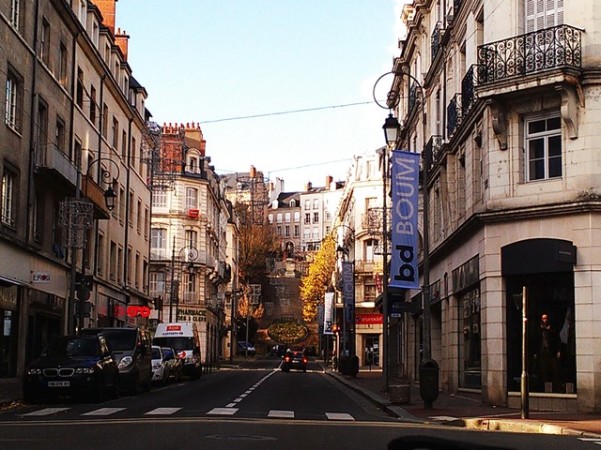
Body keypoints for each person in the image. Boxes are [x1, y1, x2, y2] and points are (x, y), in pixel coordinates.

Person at [537, 313, 560, 392]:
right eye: (543, 318)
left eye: (546, 318)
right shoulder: (539, 329)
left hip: (551, 351)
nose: (545, 320)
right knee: (543, 370)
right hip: (542, 351)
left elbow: (557, 339)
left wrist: (558, 351)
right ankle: (545, 388)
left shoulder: (551, 329)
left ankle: (555, 388)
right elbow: (535, 340)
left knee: (554, 369)